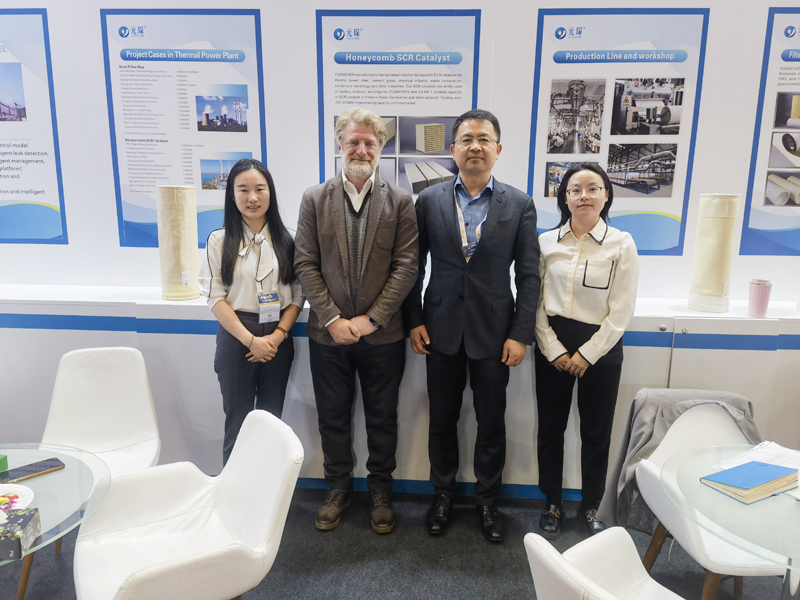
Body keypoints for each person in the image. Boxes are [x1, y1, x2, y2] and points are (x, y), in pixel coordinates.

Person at [404, 109, 540, 543]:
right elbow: (412, 267)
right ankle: (443, 494)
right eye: (466, 139)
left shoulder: (519, 204)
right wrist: (413, 320)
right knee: (441, 419)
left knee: (491, 421)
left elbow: (530, 276)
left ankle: (486, 500)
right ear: (453, 149)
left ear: (497, 149)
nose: (475, 146)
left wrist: (520, 334)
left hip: (496, 333)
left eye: (484, 139)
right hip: (439, 328)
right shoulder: (428, 200)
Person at [294, 108, 418, 534]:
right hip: (327, 336)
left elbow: (407, 267)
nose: (361, 149)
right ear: (339, 145)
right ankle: (338, 488)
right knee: (333, 417)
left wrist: (371, 320)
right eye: (353, 141)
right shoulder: (314, 199)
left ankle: (380, 490)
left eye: (369, 142)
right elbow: (305, 263)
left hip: (383, 337)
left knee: (383, 418)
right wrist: (332, 318)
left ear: (380, 148)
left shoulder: (401, 201)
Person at [534, 162, 639, 539]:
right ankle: (552, 502)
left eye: (593, 188)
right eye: (575, 190)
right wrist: (552, 348)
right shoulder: (546, 242)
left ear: (606, 195)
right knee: (550, 429)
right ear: (564, 198)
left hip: (602, 346)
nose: (584, 196)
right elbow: (534, 300)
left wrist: (588, 354)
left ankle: (592, 504)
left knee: (597, 432)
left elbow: (622, 309)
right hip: (553, 343)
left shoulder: (622, 243)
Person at [200, 158, 303, 466]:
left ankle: (268, 489)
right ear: (232, 195)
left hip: (278, 339)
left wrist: (277, 337)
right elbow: (216, 298)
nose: (252, 197)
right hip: (237, 338)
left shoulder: (289, 239)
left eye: (260, 188)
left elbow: (298, 296)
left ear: (270, 193)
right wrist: (251, 341)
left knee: (272, 423)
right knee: (238, 423)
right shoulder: (219, 240)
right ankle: (234, 490)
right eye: (243, 189)